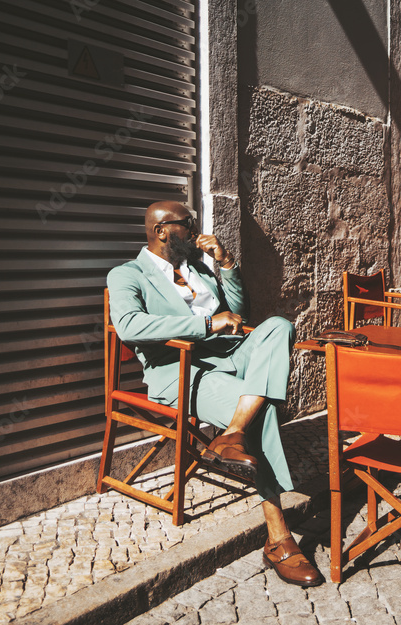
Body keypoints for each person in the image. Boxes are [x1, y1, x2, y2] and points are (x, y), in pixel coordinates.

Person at [106, 200, 322, 587]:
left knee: (278, 326)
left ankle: (233, 431)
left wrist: (226, 264)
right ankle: (278, 536)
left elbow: (240, 312)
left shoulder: (199, 266)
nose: (194, 229)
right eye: (187, 224)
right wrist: (205, 322)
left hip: (232, 353)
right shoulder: (128, 274)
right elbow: (130, 326)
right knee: (264, 408)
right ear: (161, 231)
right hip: (181, 369)